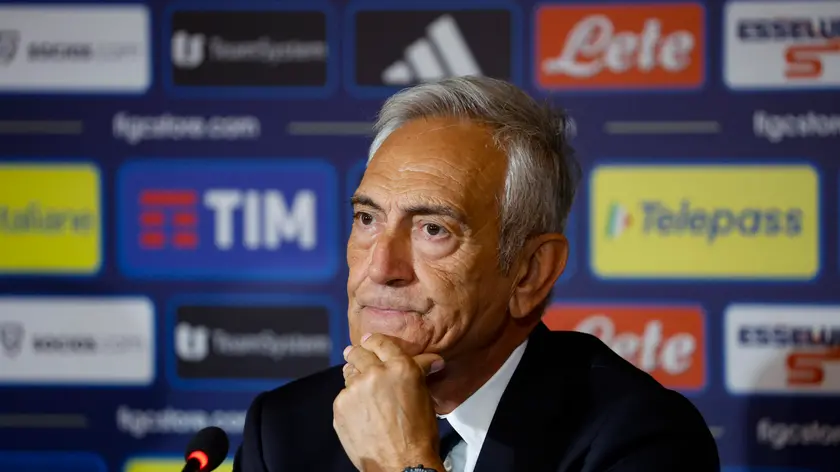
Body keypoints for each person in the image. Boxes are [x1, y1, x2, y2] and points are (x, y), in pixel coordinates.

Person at [232, 76, 720, 472]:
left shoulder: (638, 439)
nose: (380, 268)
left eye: (432, 229)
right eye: (367, 219)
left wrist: (405, 463)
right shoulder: (284, 432)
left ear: (530, 272)